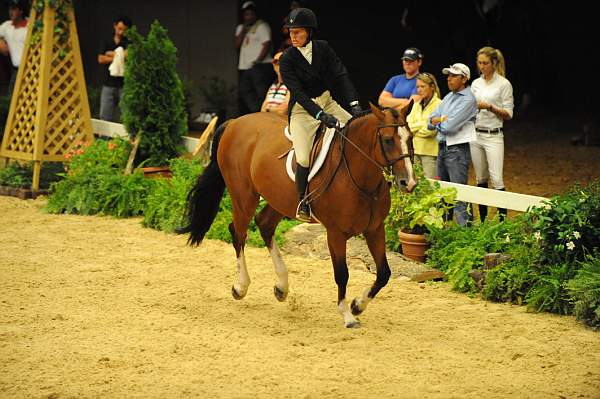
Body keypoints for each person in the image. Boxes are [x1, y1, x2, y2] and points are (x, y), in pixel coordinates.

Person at [279, 7, 362, 222]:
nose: (293, 36)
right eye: (291, 32)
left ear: (309, 31)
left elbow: (341, 74)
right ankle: (302, 201)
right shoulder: (287, 58)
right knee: (304, 156)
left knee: (358, 132)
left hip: (328, 101)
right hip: (302, 111)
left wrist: (354, 105)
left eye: (297, 32)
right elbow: (297, 93)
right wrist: (319, 115)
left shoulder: (323, 48)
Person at [428, 63, 478, 226]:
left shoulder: (469, 99)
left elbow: (449, 127)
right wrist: (439, 120)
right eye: (448, 75)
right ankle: (445, 231)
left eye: (453, 76)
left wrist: (438, 121)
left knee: (459, 194)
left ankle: (466, 233)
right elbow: (430, 121)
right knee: (442, 193)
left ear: (464, 79)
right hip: (443, 148)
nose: (448, 79)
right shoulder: (449, 97)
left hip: (457, 150)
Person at [470, 46, 514, 221]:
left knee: (496, 178)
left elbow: (509, 113)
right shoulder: (476, 84)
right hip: (476, 133)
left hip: (493, 134)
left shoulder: (503, 84)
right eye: (480, 63)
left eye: (485, 63)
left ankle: (502, 221)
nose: (482, 66)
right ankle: (482, 220)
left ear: (494, 63)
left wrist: (490, 107)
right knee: (480, 177)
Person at [235, 1, 274, 115]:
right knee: (245, 91)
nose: (248, 17)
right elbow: (236, 45)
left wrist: (258, 60)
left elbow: (266, 44)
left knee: (261, 92)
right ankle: (256, 113)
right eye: (246, 14)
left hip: (260, 66)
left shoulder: (262, 26)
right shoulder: (241, 28)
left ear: (255, 15)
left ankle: (264, 115)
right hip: (246, 67)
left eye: (251, 14)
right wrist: (243, 30)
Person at [406, 72, 442, 178]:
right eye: (417, 87)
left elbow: (431, 131)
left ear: (432, 87)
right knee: (417, 187)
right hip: (415, 151)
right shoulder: (416, 105)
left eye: (423, 86)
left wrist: (415, 127)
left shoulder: (440, 104)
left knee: (430, 186)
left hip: (430, 154)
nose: (419, 90)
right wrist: (422, 124)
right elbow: (408, 126)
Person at [97, 15, 131, 122]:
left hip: (124, 85)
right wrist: (119, 55)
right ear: (115, 26)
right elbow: (101, 59)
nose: (121, 32)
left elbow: (128, 55)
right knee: (105, 116)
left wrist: (111, 54)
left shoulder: (128, 42)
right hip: (108, 83)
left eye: (124, 30)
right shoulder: (107, 40)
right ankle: (104, 138)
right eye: (119, 29)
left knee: (127, 116)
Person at [0, 0, 29, 99]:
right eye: (10, 9)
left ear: (21, 11)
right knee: (11, 100)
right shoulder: (7, 26)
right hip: (16, 71)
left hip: (31, 69)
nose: (10, 12)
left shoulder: (30, 25)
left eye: (14, 9)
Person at [260, 51, 289, 117]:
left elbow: (283, 110)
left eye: (282, 61)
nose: (279, 65)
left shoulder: (291, 85)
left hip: (281, 122)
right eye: (276, 62)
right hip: (268, 120)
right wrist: (273, 109)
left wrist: (268, 109)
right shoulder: (272, 86)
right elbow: (262, 109)